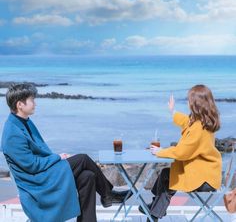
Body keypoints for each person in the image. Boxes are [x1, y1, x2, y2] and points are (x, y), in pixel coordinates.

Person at [1, 83, 131, 222]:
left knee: (88, 176)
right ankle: (108, 195)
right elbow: (32, 165)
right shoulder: (12, 133)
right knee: (83, 159)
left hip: (44, 173)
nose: (35, 103)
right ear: (20, 104)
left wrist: (57, 158)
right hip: (37, 182)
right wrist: (57, 157)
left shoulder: (24, 122)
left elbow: (39, 154)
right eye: (32, 100)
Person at [140, 84, 222, 222]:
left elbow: (182, 152)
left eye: (189, 100)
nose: (188, 103)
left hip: (203, 178)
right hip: (206, 173)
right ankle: (155, 208)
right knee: (166, 174)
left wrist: (160, 152)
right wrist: (173, 111)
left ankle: (154, 213)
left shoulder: (198, 128)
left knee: (169, 177)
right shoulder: (201, 122)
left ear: (196, 104)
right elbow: (186, 122)